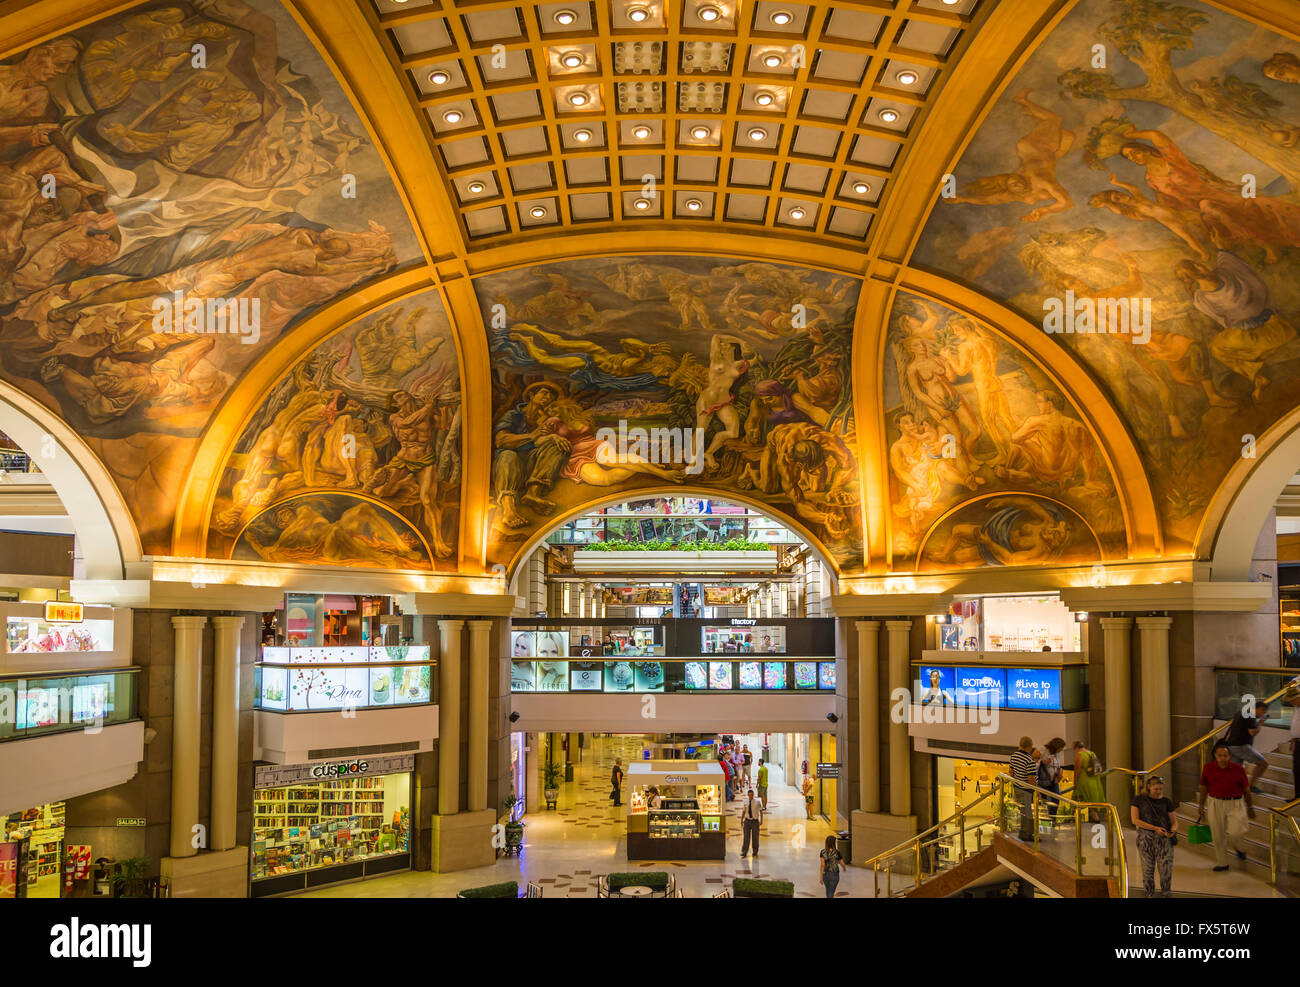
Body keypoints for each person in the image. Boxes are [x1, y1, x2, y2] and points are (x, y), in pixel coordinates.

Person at [1196, 741, 1255, 871]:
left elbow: (1246, 789)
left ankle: (1239, 848)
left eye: (1225, 755)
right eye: (1220, 755)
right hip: (1215, 802)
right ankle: (1222, 862)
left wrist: (1250, 807)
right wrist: (1201, 804)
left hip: (1236, 803)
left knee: (1236, 831)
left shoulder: (1239, 769)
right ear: (1215, 756)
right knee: (1217, 833)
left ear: (1230, 756)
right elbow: (1203, 786)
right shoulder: (1208, 768)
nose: (1223, 758)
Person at [1131, 775, 1177, 898]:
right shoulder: (1139, 800)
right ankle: (1149, 893)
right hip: (1146, 838)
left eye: (1160, 789)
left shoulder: (1166, 801)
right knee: (1147, 869)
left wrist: (1173, 830)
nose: (1158, 792)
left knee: (1166, 869)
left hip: (1164, 839)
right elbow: (1135, 820)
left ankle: (1166, 893)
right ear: (1149, 787)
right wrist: (1154, 828)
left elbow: (1174, 821)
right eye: (1156, 789)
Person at [1222, 701, 1270, 794]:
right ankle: (1251, 786)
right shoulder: (1250, 716)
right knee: (1263, 764)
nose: (1263, 714)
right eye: (1263, 711)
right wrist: (1260, 723)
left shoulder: (1240, 712)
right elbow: (1253, 732)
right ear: (1257, 708)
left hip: (1231, 745)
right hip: (1241, 746)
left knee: (1235, 771)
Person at [1009, 736, 1038, 840]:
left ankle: (1023, 832)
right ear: (1029, 747)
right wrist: (1036, 790)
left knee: (1023, 811)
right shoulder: (1030, 759)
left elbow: (1011, 772)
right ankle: (1027, 834)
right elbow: (1031, 779)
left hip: (1017, 787)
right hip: (1026, 789)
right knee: (1028, 813)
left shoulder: (1014, 756)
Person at [1071, 740, 1106, 819]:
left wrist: (1075, 781)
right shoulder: (1091, 753)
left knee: (1077, 796)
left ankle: (1071, 815)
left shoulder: (1079, 755)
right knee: (1091, 798)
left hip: (1084, 779)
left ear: (1076, 748)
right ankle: (1095, 816)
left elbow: (1077, 769)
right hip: (1093, 778)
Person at [1038, 737, 1065, 820]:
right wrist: (1043, 762)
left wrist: (1060, 772)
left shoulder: (1056, 754)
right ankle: (1043, 820)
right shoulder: (1043, 750)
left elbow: (1057, 766)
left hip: (1053, 781)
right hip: (1043, 780)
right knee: (1043, 801)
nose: (1061, 750)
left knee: (1056, 798)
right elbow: (1036, 761)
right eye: (1061, 748)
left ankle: (1053, 818)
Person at [819, 835, 846, 899]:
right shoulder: (837, 852)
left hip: (825, 874)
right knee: (830, 893)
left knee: (828, 891)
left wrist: (821, 877)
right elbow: (842, 863)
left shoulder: (822, 852)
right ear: (834, 843)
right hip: (834, 874)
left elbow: (822, 865)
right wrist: (844, 867)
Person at [739, 790, 763, 857]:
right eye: (749, 795)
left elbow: (761, 811)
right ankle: (744, 852)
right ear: (747, 795)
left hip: (755, 821)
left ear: (753, 795)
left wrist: (761, 820)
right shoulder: (745, 802)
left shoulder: (757, 802)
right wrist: (741, 820)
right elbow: (744, 811)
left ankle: (755, 851)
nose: (750, 796)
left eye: (752, 795)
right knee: (746, 837)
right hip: (747, 821)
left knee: (755, 837)